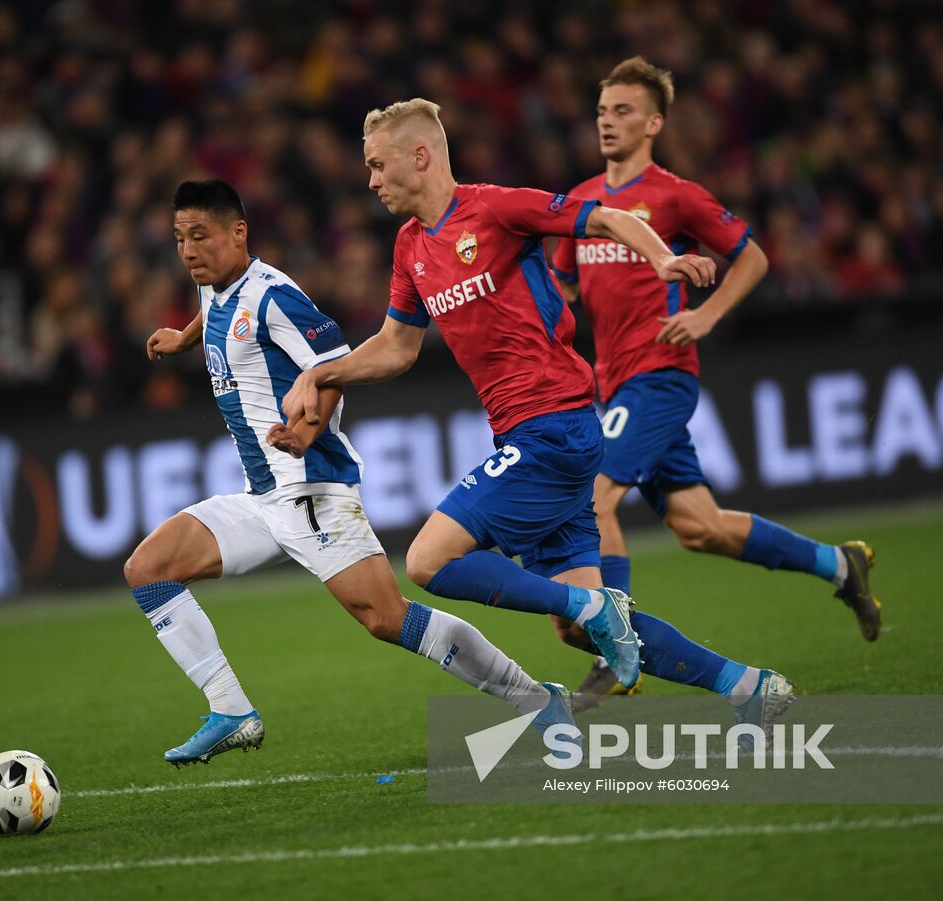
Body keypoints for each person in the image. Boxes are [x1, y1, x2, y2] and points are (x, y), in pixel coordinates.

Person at [283, 100, 795, 741]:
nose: (370, 180)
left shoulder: (495, 208)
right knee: (581, 631)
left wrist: (663, 260)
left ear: (421, 156)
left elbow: (603, 217)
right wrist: (318, 374)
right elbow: (395, 348)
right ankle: (747, 687)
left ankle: (591, 602)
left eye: (377, 165)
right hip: (530, 433)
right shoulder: (411, 246)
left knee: (427, 561)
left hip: (554, 425)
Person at [127, 179, 575, 766]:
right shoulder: (216, 288)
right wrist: (184, 340)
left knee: (387, 619)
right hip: (262, 497)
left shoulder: (274, 297)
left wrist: (307, 432)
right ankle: (231, 710)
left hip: (312, 487)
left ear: (239, 233)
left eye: (200, 237)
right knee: (149, 569)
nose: (187, 251)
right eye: (181, 239)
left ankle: (538, 700)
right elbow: (215, 315)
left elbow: (333, 368)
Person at [548, 59, 882, 710]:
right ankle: (839, 564)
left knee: (592, 498)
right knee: (698, 526)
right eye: (601, 111)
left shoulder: (675, 195)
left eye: (622, 111)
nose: (608, 122)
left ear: (654, 122)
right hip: (615, 387)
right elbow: (562, 285)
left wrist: (705, 314)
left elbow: (753, 255)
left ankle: (614, 650)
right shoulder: (585, 200)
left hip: (660, 377)